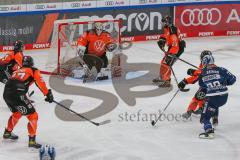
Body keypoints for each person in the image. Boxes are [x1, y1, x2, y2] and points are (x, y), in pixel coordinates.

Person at [3, 56, 54, 149]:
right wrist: (48, 94)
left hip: (6, 94)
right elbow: (40, 82)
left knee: (17, 113)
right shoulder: (33, 70)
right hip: (17, 94)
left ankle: (7, 132)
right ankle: (32, 141)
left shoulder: (17, 71)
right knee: (33, 115)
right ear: (32, 63)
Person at [197, 54, 236, 139]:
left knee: (204, 118)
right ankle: (215, 117)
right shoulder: (222, 69)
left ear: (204, 62)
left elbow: (202, 88)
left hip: (212, 98)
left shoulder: (202, 73)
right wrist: (224, 83)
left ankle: (209, 131)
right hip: (224, 97)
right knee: (214, 105)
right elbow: (233, 79)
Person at [178, 51, 214, 121]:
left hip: (207, 87)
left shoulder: (206, 66)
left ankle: (194, 110)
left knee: (197, 97)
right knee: (201, 97)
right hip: (213, 87)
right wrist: (194, 73)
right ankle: (201, 108)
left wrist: (185, 81)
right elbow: (198, 74)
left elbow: (198, 76)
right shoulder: (209, 65)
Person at [153, 15, 185, 87]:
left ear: (167, 22)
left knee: (167, 64)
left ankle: (167, 81)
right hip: (172, 47)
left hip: (175, 49)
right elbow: (165, 35)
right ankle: (162, 77)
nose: (163, 24)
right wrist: (162, 40)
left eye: (164, 22)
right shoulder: (168, 28)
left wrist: (171, 53)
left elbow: (175, 43)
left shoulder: (172, 31)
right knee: (164, 62)